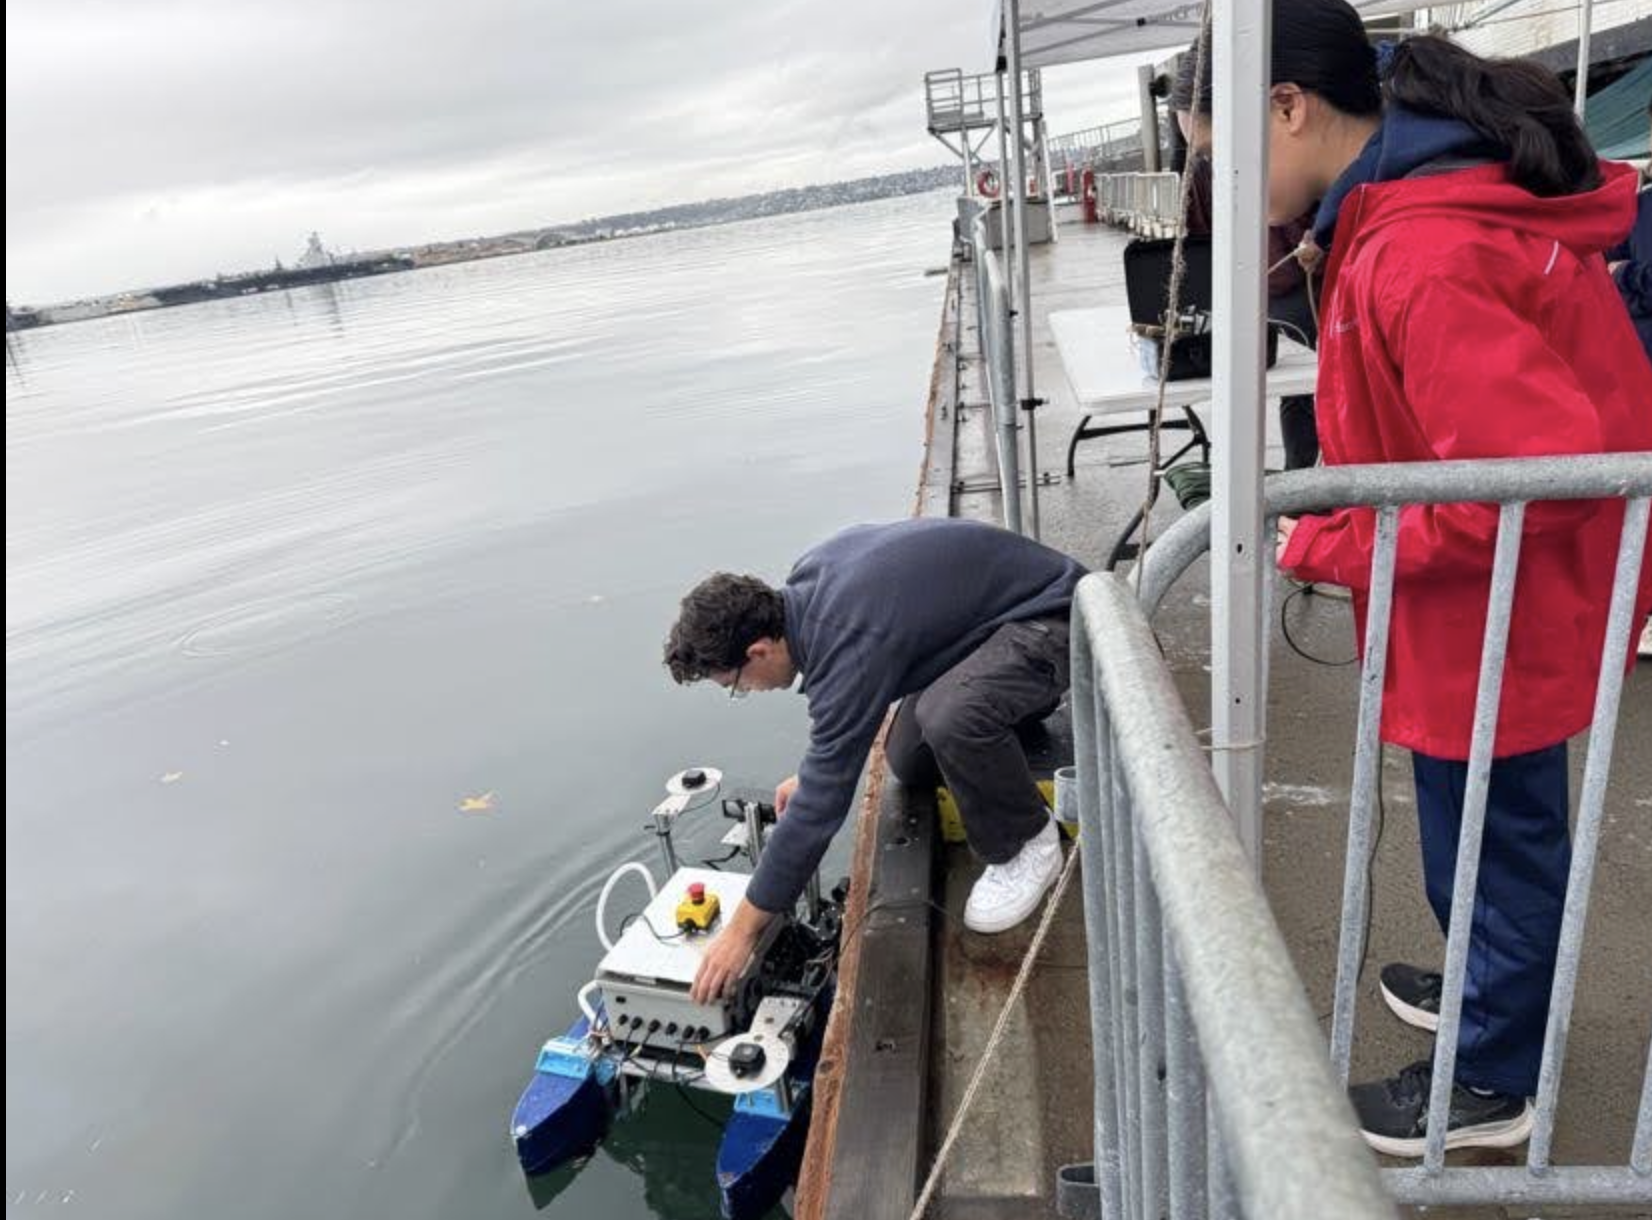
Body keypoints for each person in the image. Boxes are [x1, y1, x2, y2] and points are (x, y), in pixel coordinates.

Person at [1184, 0, 1652, 1157]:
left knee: (1498, 830)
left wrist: (1328, 539)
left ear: (1284, 108)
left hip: (1501, 601)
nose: (1213, 197)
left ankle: (1493, 1078)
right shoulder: (1390, 217)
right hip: (1470, 597)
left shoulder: (1420, 246)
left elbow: (1525, 481)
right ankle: (1481, 986)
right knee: (1468, 823)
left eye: (1215, 161)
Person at [663, 518, 1086, 1004]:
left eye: (735, 685)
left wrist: (740, 933)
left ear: (757, 651)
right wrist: (813, 773)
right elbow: (871, 664)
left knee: (948, 716)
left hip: (1057, 616)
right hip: (995, 627)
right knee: (910, 757)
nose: (747, 692)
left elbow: (821, 809)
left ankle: (1027, 843)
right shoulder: (807, 585)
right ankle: (1008, 708)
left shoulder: (842, 641)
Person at [1172, 53, 1323, 471]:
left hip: (1297, 284)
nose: (1222, 173)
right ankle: (1303, 488)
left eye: (1220, 152)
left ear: (1288, 108)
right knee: (1299, 391)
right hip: (1274, 284)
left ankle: (1306, 490)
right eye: (1205, 157)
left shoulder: (1408, 246)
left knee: (1308, 387)